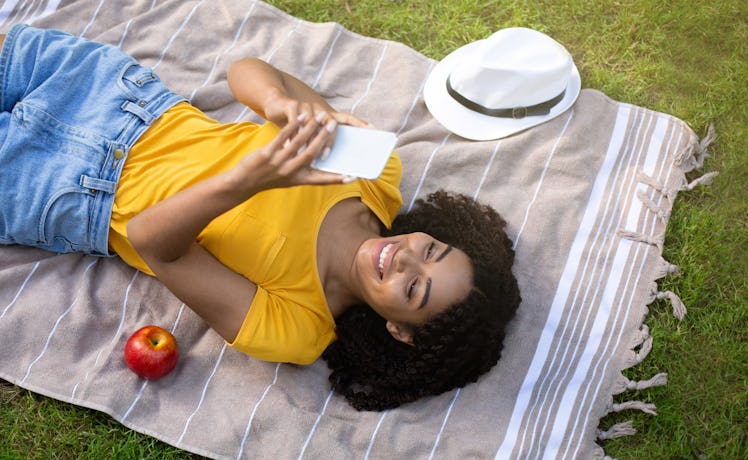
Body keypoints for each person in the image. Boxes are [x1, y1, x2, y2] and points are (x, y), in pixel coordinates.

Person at [0, 25, 520, 410]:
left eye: (414, 291)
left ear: (399, 331)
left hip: (66, 192)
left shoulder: (298, 328)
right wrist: (279, 104)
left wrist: (249, 180)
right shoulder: (375, 174)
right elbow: (246, 70)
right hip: (120, 99)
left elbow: (151, 241)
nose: (404, 259)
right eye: (431, 250)